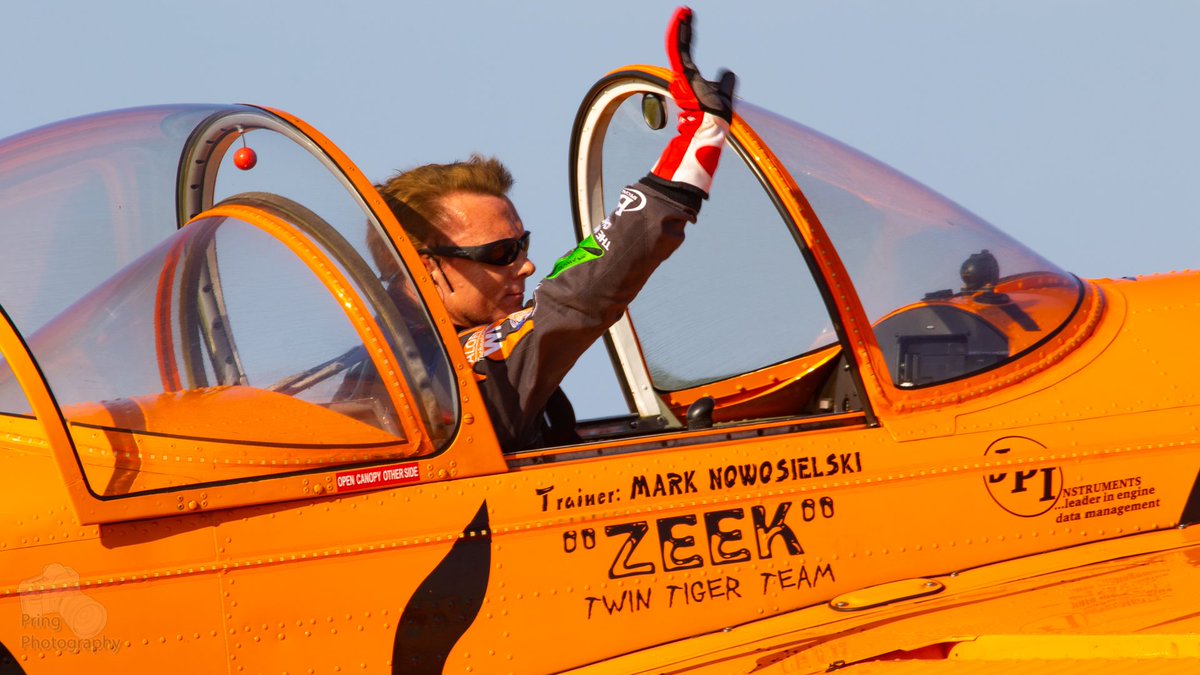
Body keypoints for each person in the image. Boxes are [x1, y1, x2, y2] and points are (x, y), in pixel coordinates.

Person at [375, 7, 735, 452]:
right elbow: (572, 299)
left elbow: (564, 289)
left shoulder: (438, 356)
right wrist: (694, 147)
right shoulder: (439, 376)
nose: (526, 267)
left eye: (522, 245)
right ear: (422, 268)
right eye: (500, 254)